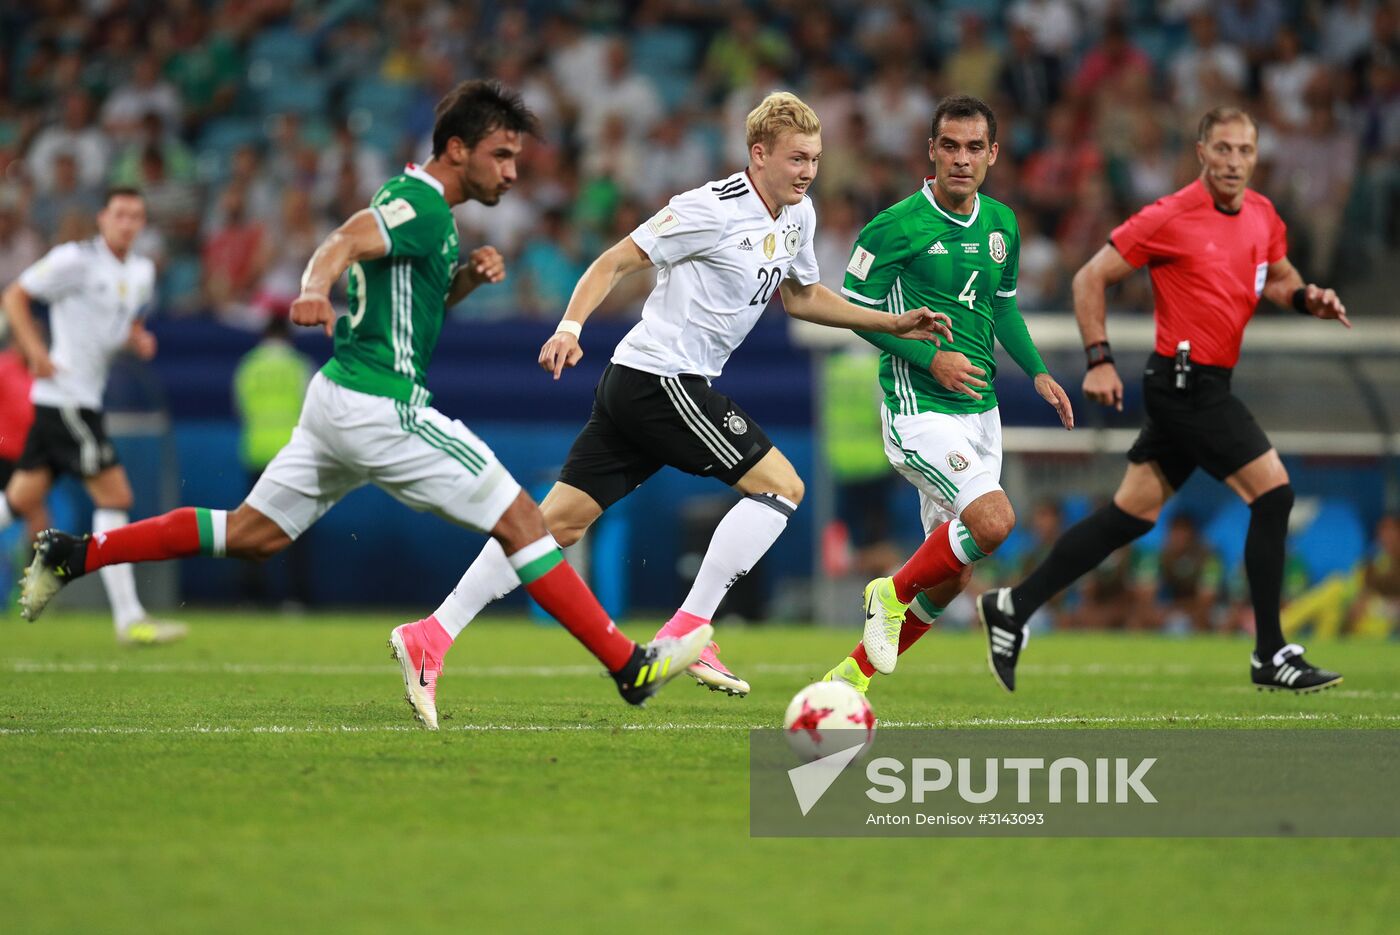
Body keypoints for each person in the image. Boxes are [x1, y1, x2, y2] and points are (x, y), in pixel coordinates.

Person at [19, 80, 713, 729]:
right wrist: (315, 284)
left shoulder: (432, 218)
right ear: (456, 149)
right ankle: (629, 665)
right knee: (523, 518)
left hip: (337, 401)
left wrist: (464, 278)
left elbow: (415, 308)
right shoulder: (419, 206)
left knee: (253, 533)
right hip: (379, 405)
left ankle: (73, 554)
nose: (511, 172)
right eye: (501, 156)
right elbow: (345, 238)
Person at [405, 91, 948, 699]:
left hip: (643, 383)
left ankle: (432, 633)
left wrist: (888, 322)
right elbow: (614, 262)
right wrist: (569, 326)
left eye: (815, 160)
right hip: (661, 380)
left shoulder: (799, 215)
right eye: (796, 159)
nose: (807, 172)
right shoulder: (709, 208)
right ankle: (692, 628)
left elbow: (801, 298)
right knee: (782, 487)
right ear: (759, 154)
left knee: (553, 525)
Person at [978, 106, 1350, 694]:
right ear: (1201, 151)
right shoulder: (1170, 215)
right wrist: (1098, 359)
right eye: (1222, 150)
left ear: (1256, 156)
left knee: (1127, 518)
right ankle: (1270, 653)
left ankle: (1013, 606)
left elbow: (1277, 278)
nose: (1233, 162)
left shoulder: (1261, 215)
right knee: (1274, 495)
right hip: (1183, 383)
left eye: (1244, 151)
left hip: (1209, 383)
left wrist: (1309, 298)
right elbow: (1088, 279)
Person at [820, 95, 1074, 694]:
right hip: (919, 408)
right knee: (993, 521)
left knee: (953, 577)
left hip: (981, 412)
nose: (961, 159)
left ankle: (847, 681)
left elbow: (1002, 304)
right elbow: (854, 312)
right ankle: (889, 590)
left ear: (992, 153)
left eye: (973, 148)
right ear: (931, 151)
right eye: (950, 146)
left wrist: (1036, 370)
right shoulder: (895, 226)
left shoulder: (1002, 224)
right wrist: (931, 357)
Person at [1, 188, 184, 646]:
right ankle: (128, 619)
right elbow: (15, 295)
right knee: (116, 494)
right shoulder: (74, 259)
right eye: (119, 214)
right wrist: (35, 351)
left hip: (77, 399)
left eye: (135, 216)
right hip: (67, 397)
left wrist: (135, 340)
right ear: (103, 218)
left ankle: (124, 616)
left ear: (142, 223)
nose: (127, 223)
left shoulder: (141, 273)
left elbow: (120, 328)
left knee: (16, 500)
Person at [232, 312, 312, 607]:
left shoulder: (248, 366)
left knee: (252, 527)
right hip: (292, 456)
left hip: (256, 453)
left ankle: (250, 596)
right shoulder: (299, 366)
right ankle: (295, 597)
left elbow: (240, 408)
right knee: (295, 529)